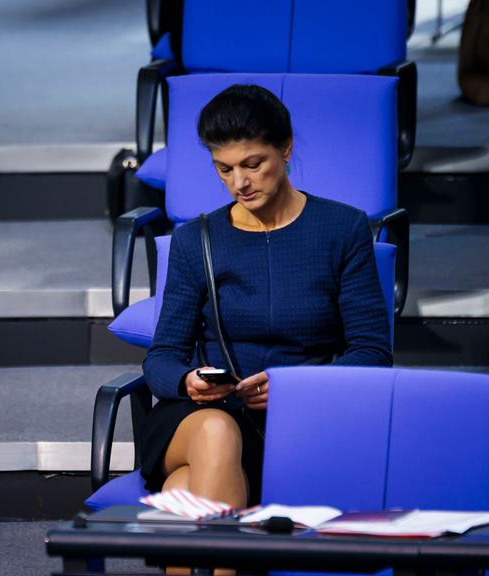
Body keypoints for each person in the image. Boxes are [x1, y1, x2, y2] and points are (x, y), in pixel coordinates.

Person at [139, 84, 393, 509]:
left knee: (180, 494)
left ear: (286, 149)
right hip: (201, 420)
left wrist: (296, 388)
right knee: (217, 433)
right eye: (223, 169)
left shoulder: (342, 229)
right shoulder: (195, 240)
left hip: (305, 418)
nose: (239, 183)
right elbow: (161, 357)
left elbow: (372, 352)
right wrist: (189, 381)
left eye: (253, 164)